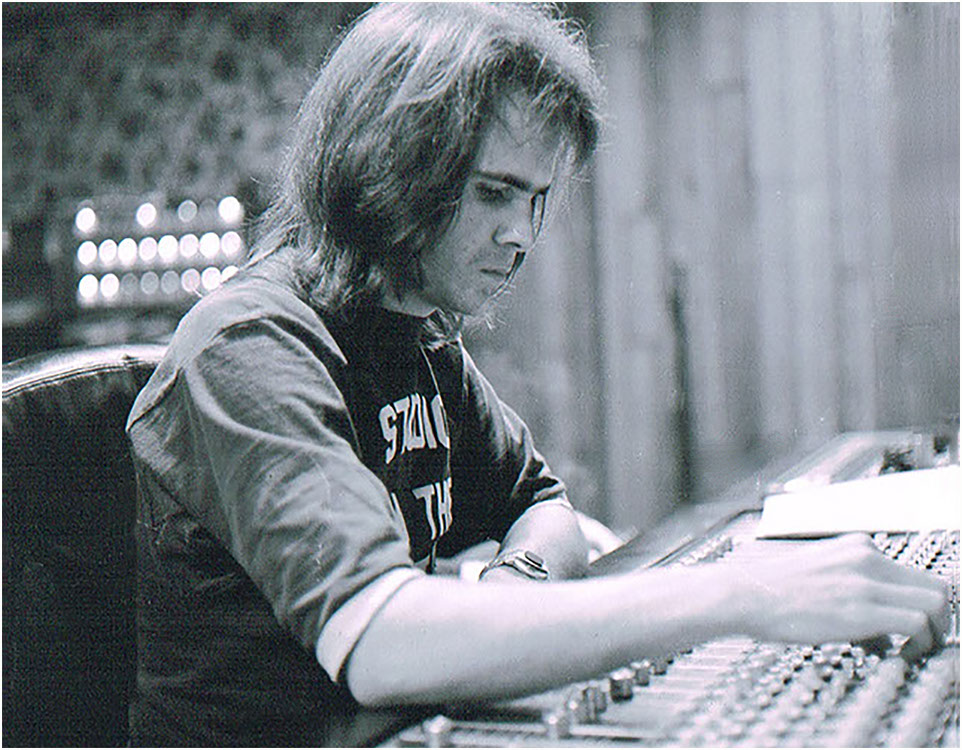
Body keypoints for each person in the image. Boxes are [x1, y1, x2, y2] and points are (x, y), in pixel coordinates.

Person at [126, 3, 948, 746]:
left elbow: (545, 509)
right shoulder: (249, 344)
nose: (521, 234)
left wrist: (513, 582)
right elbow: (381, 641)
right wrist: (741, 595)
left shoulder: (417, 335)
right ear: (389, 166)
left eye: (536, 199)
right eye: (494, 193)